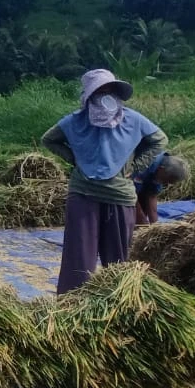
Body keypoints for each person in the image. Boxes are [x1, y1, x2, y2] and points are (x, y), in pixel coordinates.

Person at [41, 69, 167, 293]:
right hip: (83, 194)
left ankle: (118, 301)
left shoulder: (133, 120)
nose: (105, 95)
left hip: (119, 195)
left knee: (119, 259)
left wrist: (135, 165)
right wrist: (75, 159)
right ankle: (72, 303)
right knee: (78, 258)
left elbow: (159, 139)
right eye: (100, 91)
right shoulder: (75, 121)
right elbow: (49, 140)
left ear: (116, 94)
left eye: (110, 90)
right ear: (89, 97)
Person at [133, 151, 192, 225]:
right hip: (121, 184)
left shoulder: (161, 171)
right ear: (161, 169)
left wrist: (155, 225)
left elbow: (152, 195)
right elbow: (130, 195)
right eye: (167, 181)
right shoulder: (144, 164)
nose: (166, 184)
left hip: (137, 187)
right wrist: (142, 220)